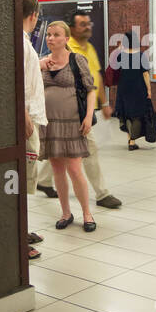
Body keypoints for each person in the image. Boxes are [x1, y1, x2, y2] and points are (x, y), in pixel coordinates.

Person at [36, 10, 122, 209]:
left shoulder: (88, 49)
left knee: (78, 150)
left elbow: (95, 78)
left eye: (88, 23)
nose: (87, 27)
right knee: (63, 151)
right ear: (71, 30)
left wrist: (104, 103)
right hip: (57, 118)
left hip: (77, 114)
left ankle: (47, 181)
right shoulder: (64, 49)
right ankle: (101, 194)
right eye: (82, 24)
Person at [38, 20, 97, 231]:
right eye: (49, 35)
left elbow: (91, 89)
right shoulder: (42, 62)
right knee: (57, 169)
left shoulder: (77, 60)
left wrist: (89, 116)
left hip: (73, 122)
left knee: (74, 168)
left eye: (56, 35)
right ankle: (65, 212)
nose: (51, 38)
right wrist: (39, 66)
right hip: (50, 123)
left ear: (66, 39)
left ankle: (87, 213)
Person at [22, 0, 48, 261]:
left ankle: (22, 228)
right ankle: (18, 237)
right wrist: (25, 117)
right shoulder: (21, 43)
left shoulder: (24, 44)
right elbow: (17, 83)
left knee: (28, 179)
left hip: (31, 117)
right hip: (27, 120)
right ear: (34, 16)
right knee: (24, 180)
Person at [113, 28, 153, 150]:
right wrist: (149, 90)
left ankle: (130, 139)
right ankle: (132, 141)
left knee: (126, 114)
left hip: (124, 88)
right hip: (138, 89)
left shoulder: (121, 56)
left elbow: (115, 68)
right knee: (136, 114)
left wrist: (119, 49)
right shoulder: (141, 56)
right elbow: (145, 74)